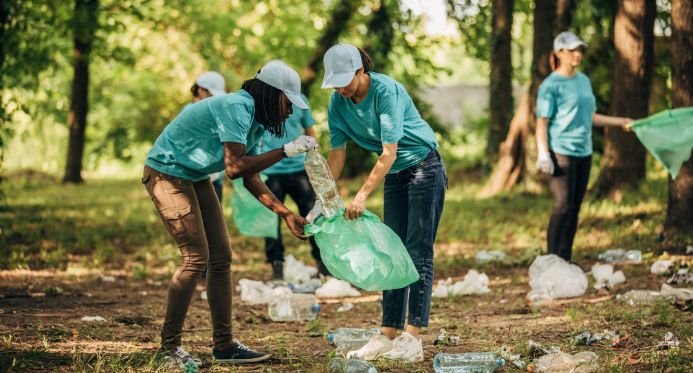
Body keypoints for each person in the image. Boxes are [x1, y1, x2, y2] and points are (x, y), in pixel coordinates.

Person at [142, 61, 317, 367]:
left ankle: (224, 346)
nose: (290, 112)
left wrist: (286, 213)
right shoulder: (237, 106)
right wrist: (287, 150)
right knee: (195, 258)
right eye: (288, 103)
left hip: (194, 175)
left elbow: (250, 176)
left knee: (221, 257)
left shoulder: (257, 120)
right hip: (166, 173)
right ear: (272, 94)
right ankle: (168, 349)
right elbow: (235, 167)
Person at [319, 43, 446, 362]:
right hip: (395, 174)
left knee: (418, 249)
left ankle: (412, 337)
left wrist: (361, 195)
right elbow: (336, 155)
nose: (341, 88)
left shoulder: (386, 91)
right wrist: (322, 198)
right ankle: (388, 332)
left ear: (361, 71)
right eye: (335, 82)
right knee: (392, 250)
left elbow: (389, 152)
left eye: (346, 80)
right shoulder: (337, 103)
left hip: (423, 166)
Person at [535, 31, 632, 262]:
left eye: (579, 50)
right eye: (572, 50)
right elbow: (542, 122)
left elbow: (590, 117)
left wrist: (621, 122)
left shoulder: (584, 81)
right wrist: (543, 153)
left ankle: (565, 259)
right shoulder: (550, 85)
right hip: (561, 152)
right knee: (562, 206)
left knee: (575, 207)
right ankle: (552, 260)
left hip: (584, 152)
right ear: (559, 53)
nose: (577, 54)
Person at [260, 70, 331, 279]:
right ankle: (276, 265)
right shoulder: (264, 104)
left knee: (312, 216)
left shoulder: (300, 100)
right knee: (271, 221)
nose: (289, 110)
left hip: (298, 169)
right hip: (271, 171)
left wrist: (314, 155)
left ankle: (323, 264)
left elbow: (310, 130)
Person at [191, 71, 227, 202]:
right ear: (200, 90)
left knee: (215, 221)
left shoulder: (218, 111)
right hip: (193, 180)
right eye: (211, 93)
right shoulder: (189, 113)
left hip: (215, 179)